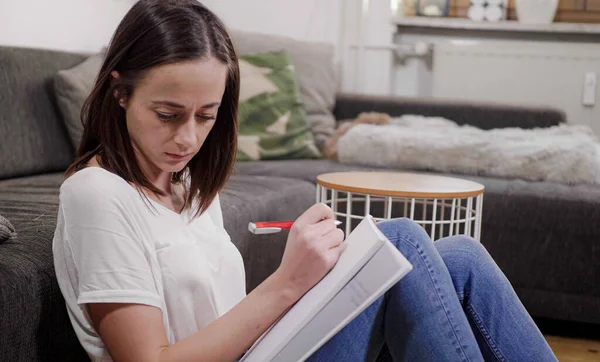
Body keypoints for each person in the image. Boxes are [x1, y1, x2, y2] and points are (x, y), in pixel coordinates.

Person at [52, 1, 557, 361]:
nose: (187, 138)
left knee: (461, 256)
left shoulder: (183, 184)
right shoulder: (96, 194)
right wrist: (290, 283)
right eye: (167, 113)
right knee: (400, 238)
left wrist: (321, 281)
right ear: (119, 93)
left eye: (206, 115)